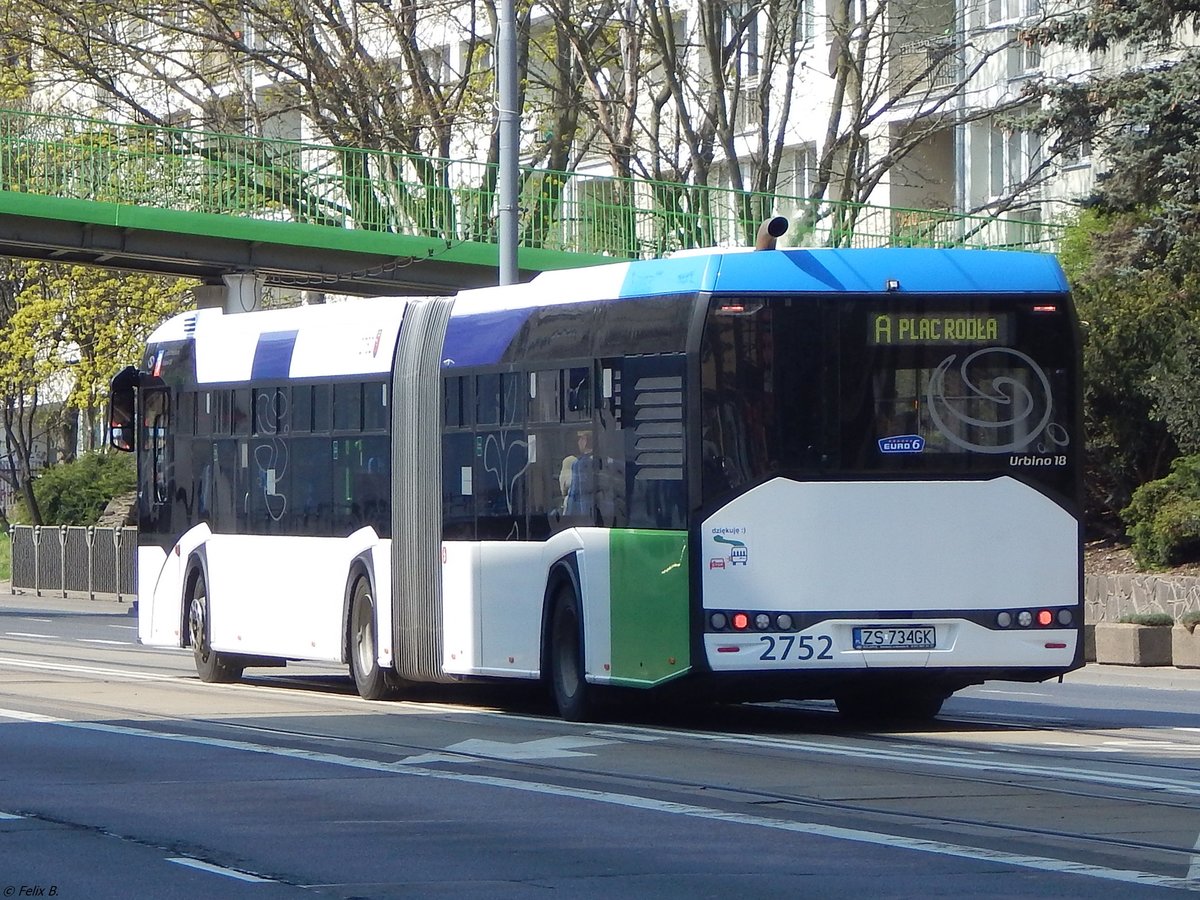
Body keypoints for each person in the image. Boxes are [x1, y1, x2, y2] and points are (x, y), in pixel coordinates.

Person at [564, 430, 595, 516]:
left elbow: (578, 493)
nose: (578, 442)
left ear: (585, 441)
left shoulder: (580, 463)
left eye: (580, 439)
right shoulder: (605, 460)